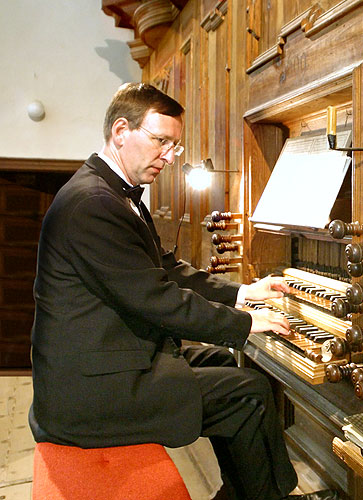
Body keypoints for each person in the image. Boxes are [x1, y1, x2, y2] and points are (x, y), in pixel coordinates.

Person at [29, 82, 338, 500]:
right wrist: (246, 324)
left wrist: (243, 293)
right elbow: (157, 298)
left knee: (223, 363)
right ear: (121, 131)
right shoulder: (92, 204)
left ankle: (247, 490)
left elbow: (167, 270)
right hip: (90, 391)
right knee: (250, 395)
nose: (170, 156)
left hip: (107, 358)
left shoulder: (114, 195)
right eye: (161, 141)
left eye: (174, 145)